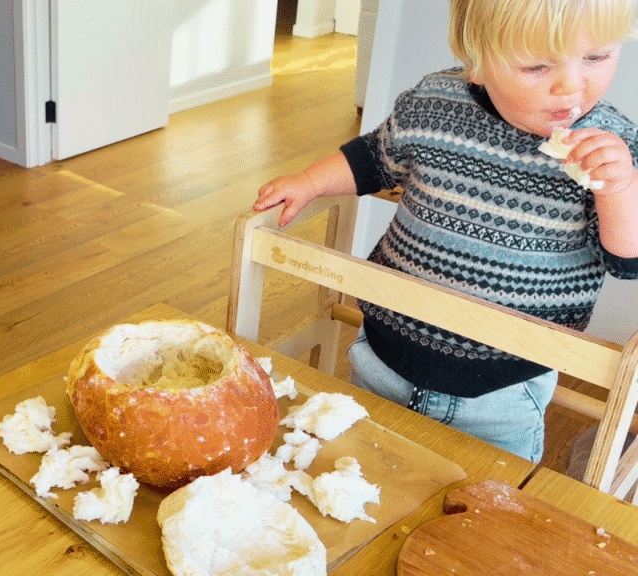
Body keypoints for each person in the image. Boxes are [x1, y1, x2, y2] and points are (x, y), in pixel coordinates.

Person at [254, 0, 638, 463]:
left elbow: (626, 258)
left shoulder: (614, 148)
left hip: (504, 390)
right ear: (477, 64)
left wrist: (619, 188)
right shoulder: (436, 102)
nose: (571, 85)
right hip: (381, 355)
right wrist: (309, 183)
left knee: (480, 506)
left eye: (596, 57)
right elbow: (374, 157)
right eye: (537, 65)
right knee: (361, 471)